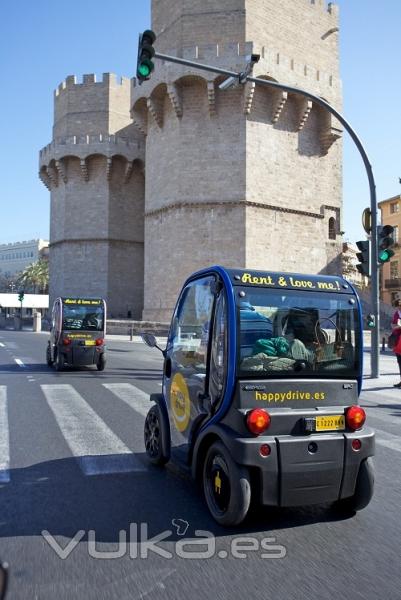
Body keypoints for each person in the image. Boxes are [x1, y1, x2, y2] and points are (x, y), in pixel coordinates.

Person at [391, 299, 401, 387]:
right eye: (398, 307)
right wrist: (396, 326)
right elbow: (393, 325)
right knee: (400, 362)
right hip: (398, 341)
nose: (399, 308)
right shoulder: (396, 314)